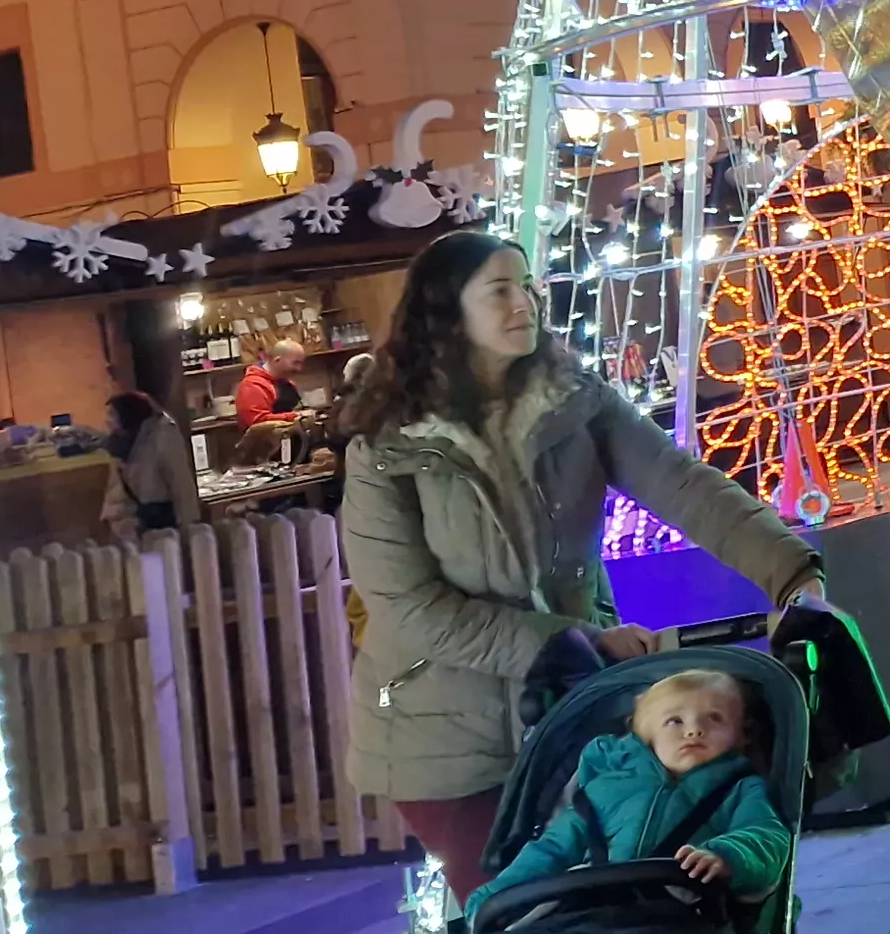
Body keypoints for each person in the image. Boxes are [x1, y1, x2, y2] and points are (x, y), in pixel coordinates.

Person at [340, 231, 822, 903]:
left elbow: (683, 485)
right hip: (442, 733)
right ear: (447, 314)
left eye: (528, 285)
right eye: (500, 290)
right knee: (518, 906)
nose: (526, 303)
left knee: (620, 897)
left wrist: (793, 574)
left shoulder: (574, 404)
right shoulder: (387, 450)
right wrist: (564, 639)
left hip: (576, 706)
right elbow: (409, 607)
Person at [465, 669, 792, 925]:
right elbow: (552, 849)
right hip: (592, 909)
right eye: (674, 721)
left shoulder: (739, 787)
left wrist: (727, 856)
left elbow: (767, 835)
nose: (694, 730)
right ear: (644, 732)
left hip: (686, 911)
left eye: (715, 718)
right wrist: (498, 895)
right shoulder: (605, 787)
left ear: (741, 734)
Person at [94, 390, 199, 534]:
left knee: (168, 554)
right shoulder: (118, 446)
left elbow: (181, 483)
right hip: (140, 525)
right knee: (151, 556)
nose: (108, 421)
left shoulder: (163, 437)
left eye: (113, 415)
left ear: (127, 417)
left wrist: (188, 526)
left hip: (167, 522)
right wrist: (119, 521)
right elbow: (116, 491)